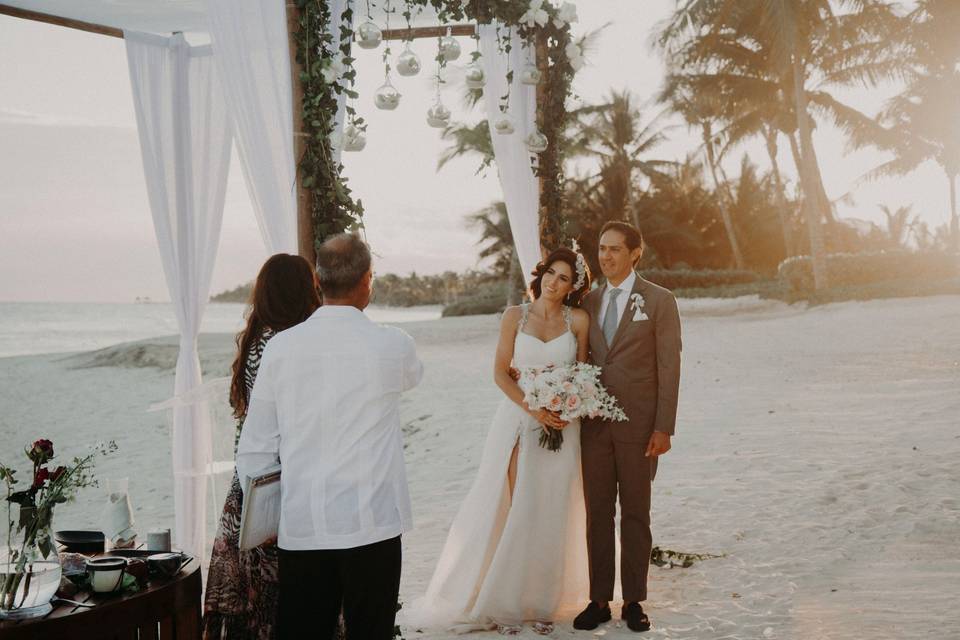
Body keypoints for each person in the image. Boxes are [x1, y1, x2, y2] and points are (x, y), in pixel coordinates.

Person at [236, 233, 423, 640]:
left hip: (304, 523)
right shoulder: (393, 346)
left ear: (318, 281)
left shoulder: (281, 349)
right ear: (368, 280)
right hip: (371, 523)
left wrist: (266, 515)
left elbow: (255, 448)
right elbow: (412, 377)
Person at [421, 248, 592, 636]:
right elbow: (500, 374)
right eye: (551, 273)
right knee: (517, 504)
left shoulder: (578, 321)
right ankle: (506, 602)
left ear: (573, 286)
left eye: (564, 278)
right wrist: (536, 410)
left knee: (553, 506)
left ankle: (543, 603)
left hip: (564, 424)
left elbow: (583, 376)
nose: (554, 282)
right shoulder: (514, 316)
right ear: (541, 274)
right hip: (520, 420)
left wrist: (565, 404)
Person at [204, 253, 322, 640]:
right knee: (280, 585)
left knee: (258, 584)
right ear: (303, 290)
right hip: (277, 478)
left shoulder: (259, 337)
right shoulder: (284, 343)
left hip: (254, 477)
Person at [573, 221, 682, 633]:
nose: (606, 256)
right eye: (602, 249)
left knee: (636, 513)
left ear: (636, 253)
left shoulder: (659, 300)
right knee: (597, 514)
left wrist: (664, 427)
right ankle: (599, 599)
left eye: (615, 249)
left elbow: (669, 367)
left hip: (641, 428)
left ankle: (634, 600)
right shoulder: (589, 301)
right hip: (594, 427)